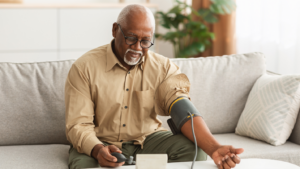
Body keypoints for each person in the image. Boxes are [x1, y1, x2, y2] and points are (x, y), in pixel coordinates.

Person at [65, 4, 244, 169]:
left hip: (148, 140)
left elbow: (182, 109)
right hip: (101, 140)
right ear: (114, 30)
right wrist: (96, 150)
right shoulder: (84, 68)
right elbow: (78, 124)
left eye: (145, 41)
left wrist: (214, 148)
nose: (137, 47)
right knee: (84, 165)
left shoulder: (164, 67)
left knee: (194, 151)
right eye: (131, 38)